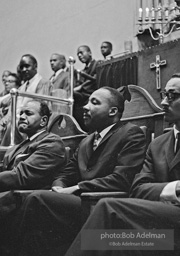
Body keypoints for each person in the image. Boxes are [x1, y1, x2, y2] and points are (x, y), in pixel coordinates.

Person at [11, 86, 146, 256]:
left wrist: (76, 188)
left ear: (113, 111)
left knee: (36, 199)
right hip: (78, 201)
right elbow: (66, 173)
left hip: (101, 203)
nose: (85, 106)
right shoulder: (86, 141)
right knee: (36, 230)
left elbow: (121, 179)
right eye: (87, 101)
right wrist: (58, 187)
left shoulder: (130, 133)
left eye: (94, 102)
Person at [65, 73, 180, 256]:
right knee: (109, 240)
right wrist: (176, 188)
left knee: (108, 211)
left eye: (173, 96)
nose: (164, 102)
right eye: (164, 95)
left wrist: (161, 190)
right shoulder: (158, 144)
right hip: (161, 232)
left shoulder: (131, 135)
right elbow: (138, 188)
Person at [0, 54, 52, 145]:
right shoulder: (22, 87)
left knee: (13, 126)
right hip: (18, 119)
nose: (24, 69)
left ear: (35, 66)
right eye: (22, 67)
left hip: (32, 121)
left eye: (27, 66)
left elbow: (42, 109)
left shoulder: (42, 83)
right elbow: (12, 109)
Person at [73, 45, 98, 131]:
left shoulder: (97, 64)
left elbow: (95, 79)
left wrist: (80, 87)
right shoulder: (83, 70)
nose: (79, 56)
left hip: (91, 95)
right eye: (78, 54)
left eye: (81, 52)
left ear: (90, 53)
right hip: (83, 96)